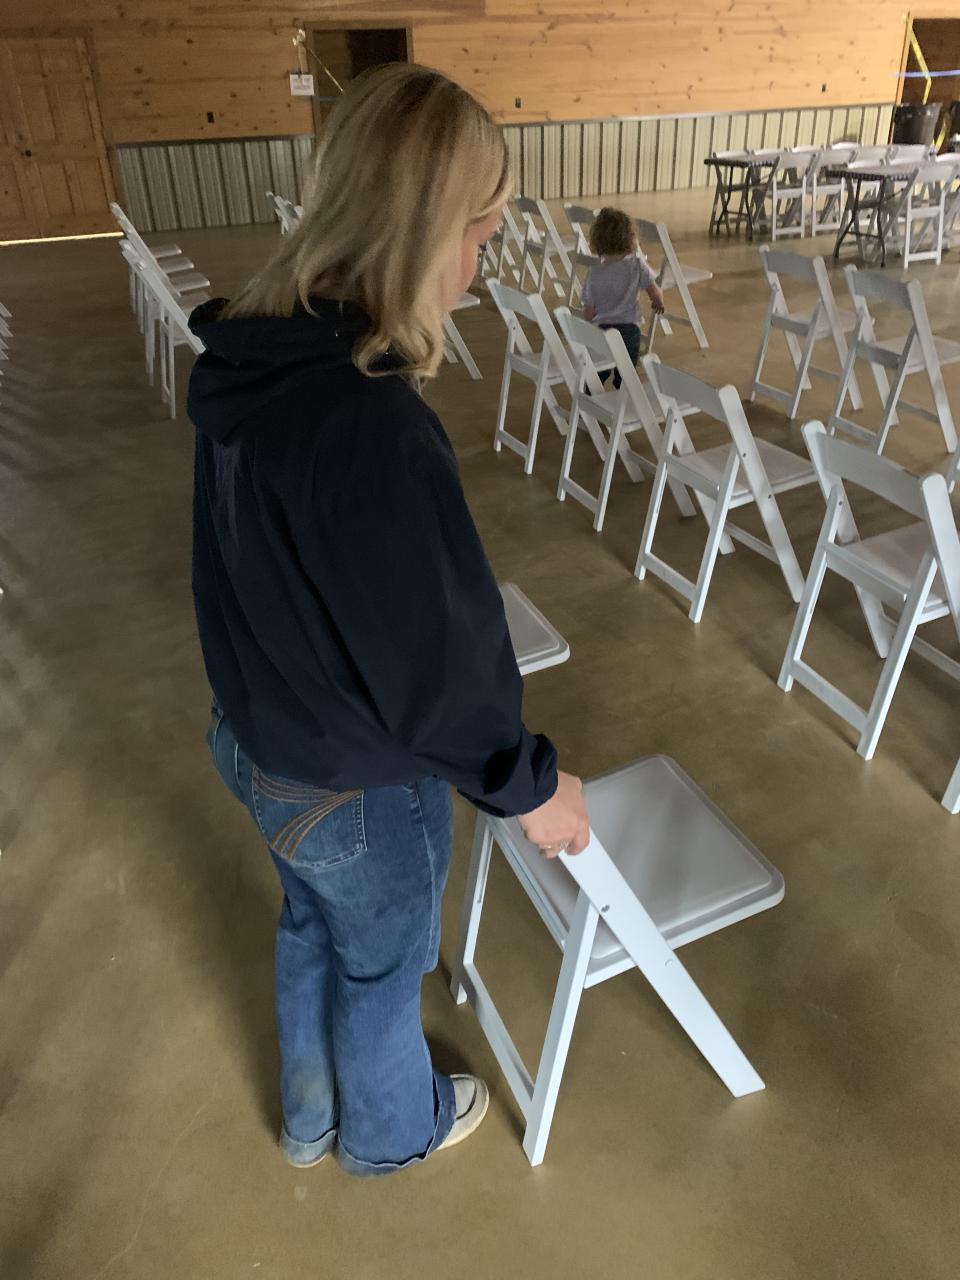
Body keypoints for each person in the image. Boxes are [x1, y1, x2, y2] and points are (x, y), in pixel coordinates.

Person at [186, 63, 590, 1179]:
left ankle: (308, 1119)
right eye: (479, 234)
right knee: (381, 967)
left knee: (310, 924)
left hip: (259, 740)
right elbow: (436, 671)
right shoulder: (369, 424)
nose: (481, 265)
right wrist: (528, 785)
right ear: (423, 234)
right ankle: (387, 1132)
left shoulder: (252, 355)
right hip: (353, 784)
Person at [582, 207, 665, 387]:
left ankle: (589, 397)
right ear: (630, 237)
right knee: (626, 373)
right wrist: (658, 302)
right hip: (629, 328)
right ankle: (624, 396)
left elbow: (589, 309)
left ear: (597, 240)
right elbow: (654, 290)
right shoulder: (637, 265)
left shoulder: (594, 272)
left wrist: (589, 329)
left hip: (602, 329)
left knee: (598, 371)